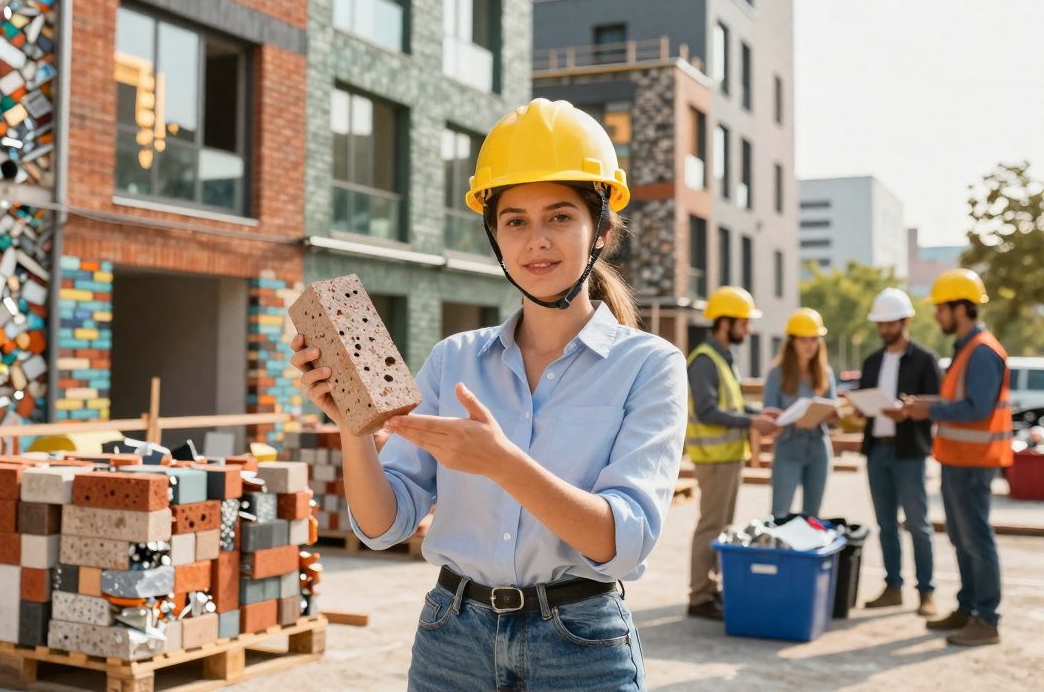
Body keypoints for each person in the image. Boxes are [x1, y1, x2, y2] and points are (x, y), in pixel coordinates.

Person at [291, 99, 686, 690]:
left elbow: (621, 542)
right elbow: (383, 524)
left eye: (559, 217)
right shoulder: (454, 359)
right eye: (515, 221)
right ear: (495, 237)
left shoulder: (649, 365)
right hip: (452, 638)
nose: (537, 242)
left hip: (581, 646)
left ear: (600, 230)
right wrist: (354, 425)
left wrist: (500, 463)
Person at [902, 268, 1012, 646]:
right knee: (963, 539)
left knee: (976, 539)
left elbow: (977, 409)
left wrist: (929, 411)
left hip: (974, 461)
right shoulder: (967, 349)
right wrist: (926, 405)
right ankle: (969, 608)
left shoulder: (981, 352)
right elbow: (957, 403)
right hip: (958, 459)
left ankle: (986, 619)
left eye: (941, 308)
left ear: (960, 308)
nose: (937, 316)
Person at [685, 285, 780, 621]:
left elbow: (734, 404)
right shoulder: (704, 362)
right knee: (712, 527)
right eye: (744, 322)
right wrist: (753, 422)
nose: (748, 328)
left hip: (726, 455)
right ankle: (699, 596)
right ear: (725, 322)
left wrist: (760, 414)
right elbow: (709, 411)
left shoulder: (722, 358)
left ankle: (709, 590)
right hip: (714, 459)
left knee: (721, 527)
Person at [857, 287, 941, 617]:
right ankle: (893, 586)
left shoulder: (925, 360)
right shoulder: (872, 361)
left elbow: (937, 405)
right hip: (877, 451)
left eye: (889, 323)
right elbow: (865, 397)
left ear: (904, 321)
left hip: (910, 453)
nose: (883, 329)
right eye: (880, 324)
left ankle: (927, 592)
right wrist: (863, 408)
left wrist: (907, 412)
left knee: (918, 524)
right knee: (886, 524)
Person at [763, 308, 837, 519]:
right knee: (780, 514)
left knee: (812, 517)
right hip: (788, 446)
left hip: (818, 448)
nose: (810, 345)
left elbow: (831, 411)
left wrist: (831, 416)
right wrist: (786, 419)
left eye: (814, 340)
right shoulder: (777, 374)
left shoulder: (825, 373)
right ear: (792, 342)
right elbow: (768, 413)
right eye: (804, 340)